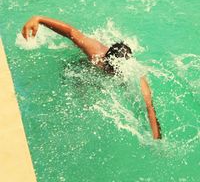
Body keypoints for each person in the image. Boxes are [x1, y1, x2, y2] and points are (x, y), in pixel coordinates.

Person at [22, 15, 162, 139]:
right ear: (106, 60)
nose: (110, 73)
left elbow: (149, 107)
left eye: (113, 71)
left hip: (122, 75)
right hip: (82, 67)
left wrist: (157, 140)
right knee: (77, 84)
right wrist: (39, 19)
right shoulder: (95, 52)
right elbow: (70, 31)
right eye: (108, 69)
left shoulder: (136, 74)